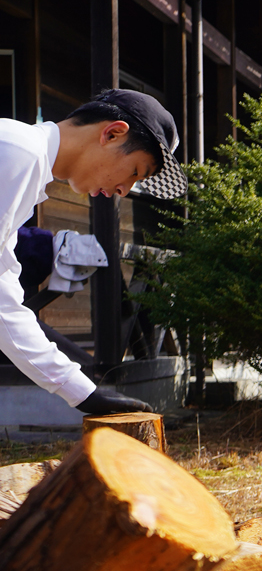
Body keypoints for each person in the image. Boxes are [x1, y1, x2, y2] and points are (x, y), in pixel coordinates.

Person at [0, 89, 186, 417]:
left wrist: (84, 393)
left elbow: (5, 308)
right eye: (134, 173)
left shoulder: (23, 164)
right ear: (112, 133)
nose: (122, 191)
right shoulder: (16, 152)